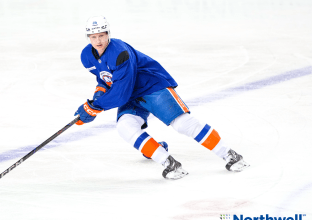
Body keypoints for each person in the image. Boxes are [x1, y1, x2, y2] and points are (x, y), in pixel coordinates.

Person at [74, 16, 249, 180]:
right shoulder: (87, 56)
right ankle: (168, 162)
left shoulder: (120, 53)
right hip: (131, 92)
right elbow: (105, 78)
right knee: (125, 127)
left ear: (108, 34)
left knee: (182, 123)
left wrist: (94, 107)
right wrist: (97, 96)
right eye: (94, 36)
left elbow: (120, 94)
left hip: (151, 85)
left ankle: (230, 154)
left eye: (102, 35)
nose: (98, 41)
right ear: (88, 37)